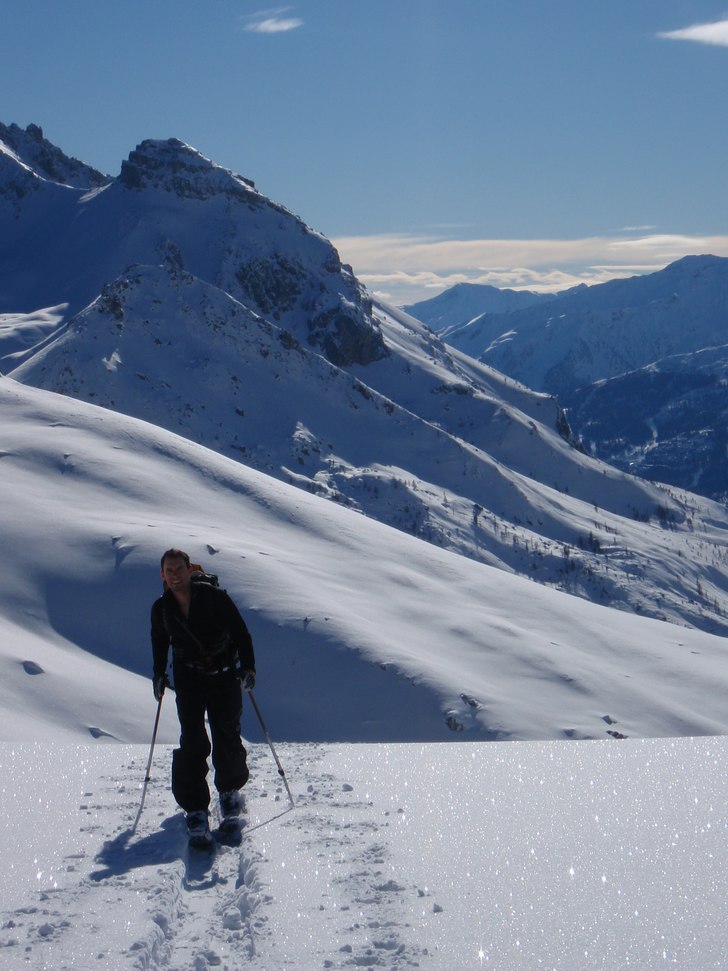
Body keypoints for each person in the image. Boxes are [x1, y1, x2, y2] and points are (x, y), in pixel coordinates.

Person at [150, 548, 256, 846]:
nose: (174, 575)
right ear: (162, 574)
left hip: (224, 674)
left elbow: (241, 633)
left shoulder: (215, 598)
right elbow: (159, 641)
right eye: (169, 570)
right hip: (189, 678)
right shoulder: (162, 609)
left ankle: (229, 791)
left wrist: (248, 668)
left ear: (189, 570)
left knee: (226, 732)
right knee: (192, 738)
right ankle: (196, 806)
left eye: (179, 569)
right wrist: (158, 674)